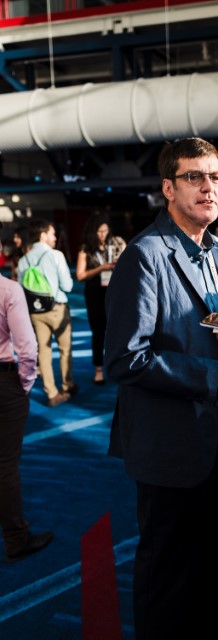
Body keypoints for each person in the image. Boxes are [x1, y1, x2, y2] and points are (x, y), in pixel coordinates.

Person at [104, 137, 218, 640]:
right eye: (194, 177)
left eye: (216, 177)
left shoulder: (216, 249)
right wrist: (214, 375)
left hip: (215, 438)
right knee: (167, 578)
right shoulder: (144, 256)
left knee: (209, 570)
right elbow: (125, 358)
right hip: (167, 445)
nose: (209, 188)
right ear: (168, 188)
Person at [0, 221, 53, 561]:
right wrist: (25, 383)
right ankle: (16, 538)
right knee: (5, 464)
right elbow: (27, 348)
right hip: (5, 382)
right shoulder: (8, 289)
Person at [17, 219, 77, 407]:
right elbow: (67, 286)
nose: (55, 237)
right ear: (43, 235)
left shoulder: (23, 260)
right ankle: (67, 385)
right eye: (52, 234)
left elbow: (21, 288)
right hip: (57, 308)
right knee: (65, 349)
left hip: (35, 312)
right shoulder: (55, 255)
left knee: (43, 351)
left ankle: (51, 393)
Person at [76, 214, 126, 384]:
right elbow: (80, 275)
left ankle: (119, 365)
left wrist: (120, 263)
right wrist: (101, 268)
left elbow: (131, 264)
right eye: (99, 231)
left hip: (116, 291)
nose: (103, 235)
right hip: (95, 293)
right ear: (93, 232)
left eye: (105, 231)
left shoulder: (118, 242)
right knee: (98, 332)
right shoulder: (86, 248)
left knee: (119, 331)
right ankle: (98, 368)